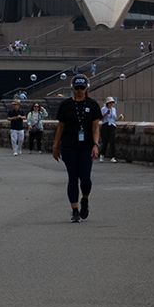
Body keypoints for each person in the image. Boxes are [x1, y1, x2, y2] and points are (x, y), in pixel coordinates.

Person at [53, 75, 100, 222]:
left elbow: (95, 127)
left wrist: (95, 144)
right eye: (77, 88)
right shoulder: (65, 105)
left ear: (87, 88)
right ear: (72, 88)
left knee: (85, 178)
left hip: (86, 145)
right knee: (73, 178)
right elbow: (60, 127)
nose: (79, 91)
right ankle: (74, 211)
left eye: (82, 88)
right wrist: (55, 146)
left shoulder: (92, 104)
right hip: (69, 145)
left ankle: (84, 199)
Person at [99, 96, 122, 161]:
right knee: (105, 141)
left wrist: (119, 118)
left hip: (112, 125)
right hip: (105, 125)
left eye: (112, 103)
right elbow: (100, 118)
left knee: (112, 141)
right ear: (107, 103)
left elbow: (114, 118)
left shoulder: (113, 109)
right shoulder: (103, 109)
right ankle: (102, 154)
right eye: (110, 103)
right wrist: (106, 114)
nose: (111, 104)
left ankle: (113, 157)